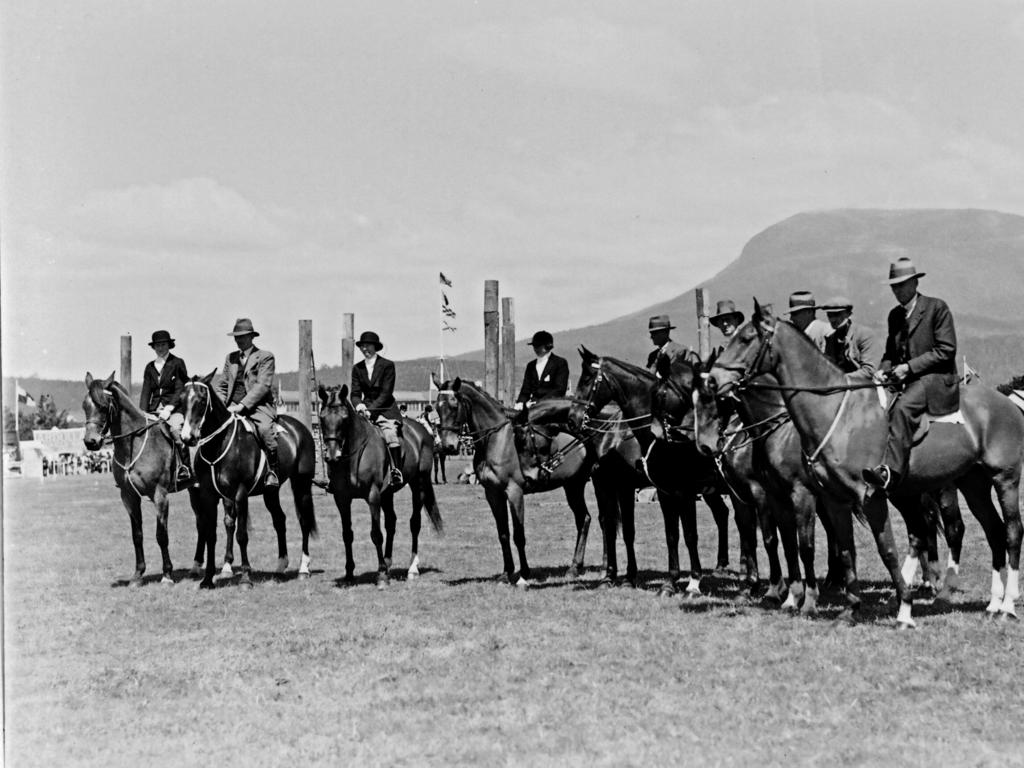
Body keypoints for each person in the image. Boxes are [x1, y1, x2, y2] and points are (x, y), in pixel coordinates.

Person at [863, 258, 959, 491]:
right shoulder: (894, 316)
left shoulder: (937, 307)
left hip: (935, 379)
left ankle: (891, 473)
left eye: (902, 285)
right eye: (894, 286)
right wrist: (882, 372)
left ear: (915, 283)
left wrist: (909, 367)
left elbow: (946, 350)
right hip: (904, 379)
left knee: (904, 408)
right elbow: (890, 353)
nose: (897, 290)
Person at [214, 318, 280, 487]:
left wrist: (241, 406)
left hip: (257, 407)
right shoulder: (231, 358)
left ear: (251, 336)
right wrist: (220, 406)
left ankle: (272, 470)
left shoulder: (265, 357)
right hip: (231, 407)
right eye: (236, 337)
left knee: (265, 429)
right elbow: (222, 385)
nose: (238, 340)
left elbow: (262, 386)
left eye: (242, 336)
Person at [351, 330, 404, 487]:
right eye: (362, 346)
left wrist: (370, 410)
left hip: (385, 409)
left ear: (375, 347)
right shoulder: (357, 368)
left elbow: (386, 393)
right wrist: (358, 404)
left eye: (367, 346)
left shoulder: (387, 365)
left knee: (389, 434)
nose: (364, 349)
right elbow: (354, 393)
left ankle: (396, 471)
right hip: (364, 409)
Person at [139, 329, 192, 483]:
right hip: (153, 410)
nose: (160, 348)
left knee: (176, 430)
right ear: (153, 347)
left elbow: (180, 389)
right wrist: (142, 412)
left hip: (174, 409)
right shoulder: (150, 367)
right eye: (157, 345)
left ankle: (185, 467)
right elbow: (145, 391)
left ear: (169, 345)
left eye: (163, 344)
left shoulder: (177, 363)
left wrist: (169, 408)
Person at [820, 296, 877, 378]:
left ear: (849, 314)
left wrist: (841, 379)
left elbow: (869, 371)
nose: (832, 320)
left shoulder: (864, 334)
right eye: (829, 315)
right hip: (840, 387)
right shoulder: (831, 339)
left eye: (836, 314)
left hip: (863, 386)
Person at [515, 330, 569, 409]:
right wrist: (520, 403)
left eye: (538, 346)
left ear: (547, 346)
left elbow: (559, 390)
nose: (535, 349)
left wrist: (538, 403)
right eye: (534, 346)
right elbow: (525, 390)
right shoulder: (531, 366)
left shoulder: (560, 363)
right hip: (532, 406)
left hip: (552, 407)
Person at [419, 404, 447, 484]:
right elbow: (435, 426)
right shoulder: (431, 415)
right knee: (439, 445)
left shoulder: (423, 415)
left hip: (428, 435)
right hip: (432, 436)